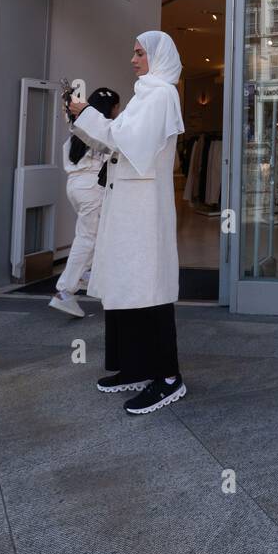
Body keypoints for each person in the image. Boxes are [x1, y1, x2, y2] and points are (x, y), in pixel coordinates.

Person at [67, 32, 186, 414]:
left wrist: (88, 114)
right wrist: (86, 120)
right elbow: (116, 141)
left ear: (158, 56)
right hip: (129, 204)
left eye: (140, 53)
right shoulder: (145, 94)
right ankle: (135, 366)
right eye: (133, 52)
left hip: (143, 208)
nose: (133, 59)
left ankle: (167, 377)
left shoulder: (162, 94)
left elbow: (128, 141)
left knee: (147, 285)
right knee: (127, 282)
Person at [50, 86, 120, 318]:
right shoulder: (100, 132)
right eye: (117, 107)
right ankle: (65, 291)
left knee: (94, 236)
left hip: (75, 186)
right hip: (92, 188)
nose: (119, 111)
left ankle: (85, 275)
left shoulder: (77, 132)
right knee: (88, 237)